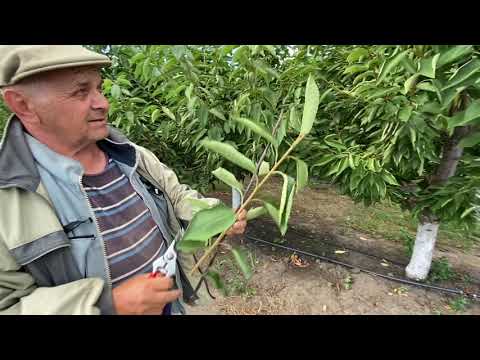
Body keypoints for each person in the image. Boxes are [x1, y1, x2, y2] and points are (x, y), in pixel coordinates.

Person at [0, 45, 247, 315]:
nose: (103, 103)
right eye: (81, 91)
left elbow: (176, 195)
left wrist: (214, 214)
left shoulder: (132, 156)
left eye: (99, 88)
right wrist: (107, 305)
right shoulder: (10, 201)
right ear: (23, 104)